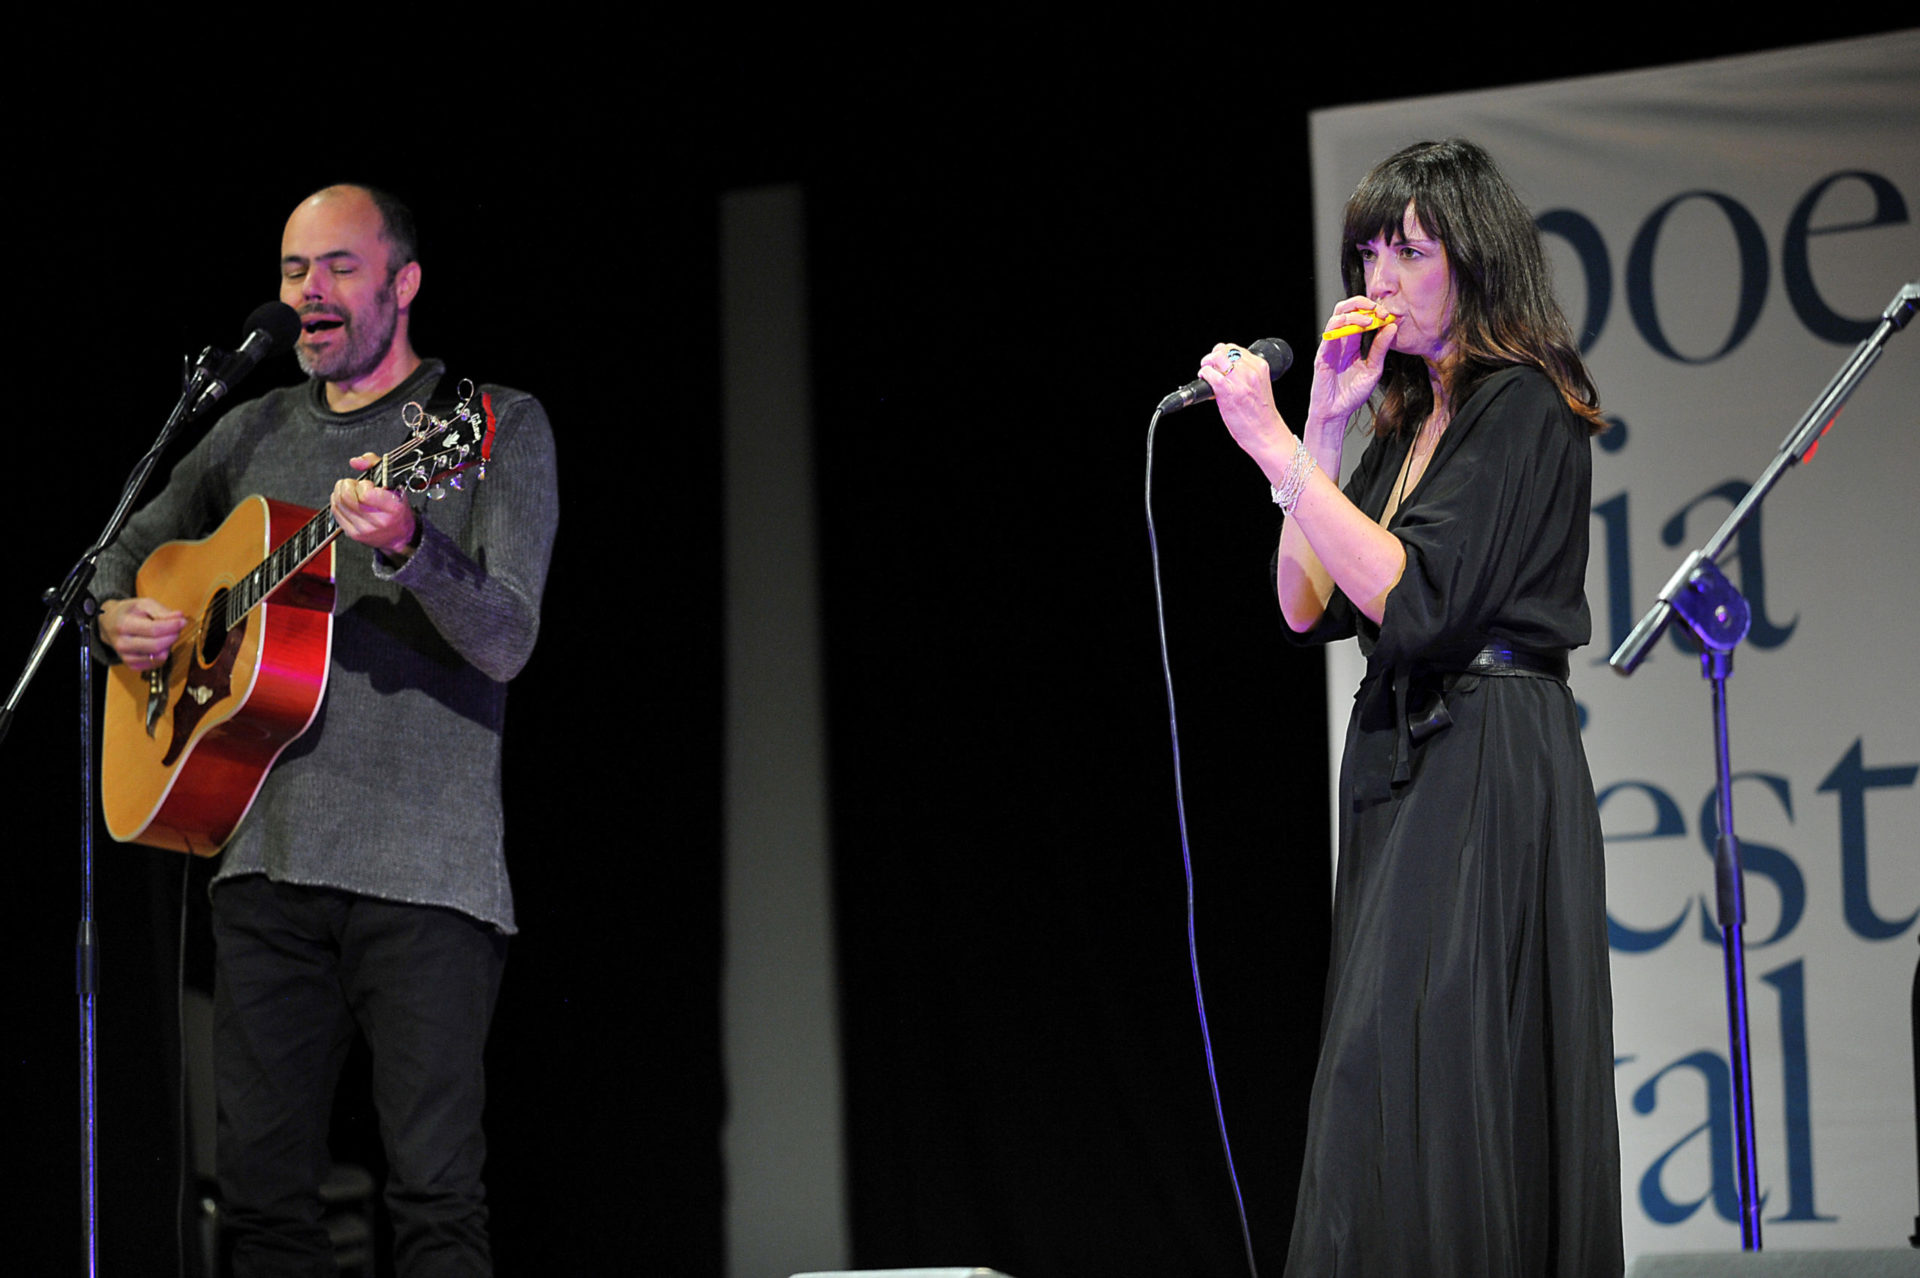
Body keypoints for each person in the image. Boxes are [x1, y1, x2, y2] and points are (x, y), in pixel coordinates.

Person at [95, 184, 557, 1276]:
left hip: (428, 871)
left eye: (341, 268)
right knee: (258, 1203)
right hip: (260, 862)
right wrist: (118, 617)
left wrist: (410, 547)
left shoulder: (488, 428)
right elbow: (119, 556)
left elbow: (507, 641)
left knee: (435, 1199)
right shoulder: (247, 428)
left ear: (404, 283)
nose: (310, 293)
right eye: (297, 270)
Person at [1201, 139, 1622, 1276]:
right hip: (1403, 754)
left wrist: (1278, 450)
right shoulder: (1406, 424)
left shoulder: (1521, 405)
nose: (1379, 280)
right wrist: (1325, 429)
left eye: (1411, 252)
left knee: (1443, 1064)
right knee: (1379, 1077)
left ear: (1474, 262)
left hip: (1487, 748)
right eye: (1368, 253)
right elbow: (1303, 603)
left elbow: (1415, 595)